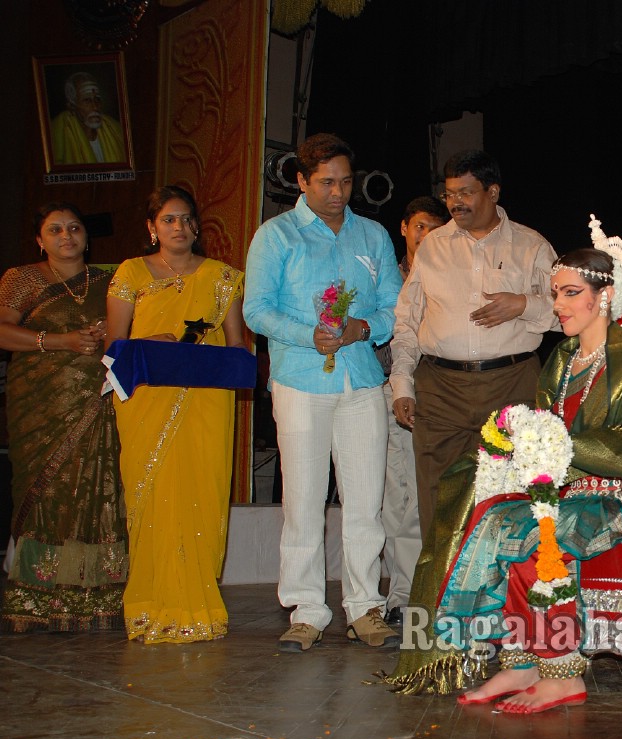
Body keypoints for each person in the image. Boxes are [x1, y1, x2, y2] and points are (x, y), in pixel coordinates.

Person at [385, 223, 622, 707]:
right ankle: (519, 664)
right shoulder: (560, 358)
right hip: (554, 489)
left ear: (605, 295)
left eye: (571, 293)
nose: (558, 305)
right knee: (488, 516)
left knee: (535, 530)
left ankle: (562, 673)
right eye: (555, 293)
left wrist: (561, 448)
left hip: (610, 495)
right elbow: (544, 429)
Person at [244, 133, 401, 653]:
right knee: (304, 500)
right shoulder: (277, 236)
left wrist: (362, 329)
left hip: (360, 381)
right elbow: (257, 310)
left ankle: (365, 608)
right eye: (327, 182)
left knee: (364, 503)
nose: (338, 192)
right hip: (300, 380)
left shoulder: (373, 235)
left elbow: (393, 308)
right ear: (301, 180)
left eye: (346, 181)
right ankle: (307, 609)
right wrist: (304, 334)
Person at [390, 150, 558, 548]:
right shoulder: (432, 247)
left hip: (512, 383)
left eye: (466, 192)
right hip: (440, 388)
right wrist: (402, 385)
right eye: (449, 194)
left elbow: (568, 311)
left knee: (514, 496)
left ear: (493, 192)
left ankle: (508, 598)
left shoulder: (531, 245)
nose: (455, 203)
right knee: (439, 499)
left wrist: (523, 304)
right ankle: (442, 600)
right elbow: (407, 321)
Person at [106, 186, 246, 643]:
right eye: (169, 219)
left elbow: (237, 345)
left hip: (205, 400)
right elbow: (115, 346)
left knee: (200, 493)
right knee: (150, 495)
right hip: (147, 399)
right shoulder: (130, 273)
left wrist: (197, 350)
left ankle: (198, 606)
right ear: (152, 227)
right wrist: (154, 346)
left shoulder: (224, 277)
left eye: (187, 219)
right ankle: (150, 605)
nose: (180, 228)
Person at [0, 203, 125, 632]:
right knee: (46, 492)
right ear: (40, 239)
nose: (66, 236)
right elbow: (2, 330)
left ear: (87, 238)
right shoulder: (22, 279)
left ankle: (98, 595)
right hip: (40, 406)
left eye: (74, 228)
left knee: (100, 489)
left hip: (97, 402)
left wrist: (105, 336)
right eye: (55, 230)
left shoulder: (113, 282)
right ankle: (37, 597)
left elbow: (130, 332)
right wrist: (62, 341)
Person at [379, 196, 449, 625]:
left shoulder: (446, 275)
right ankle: (402, 593)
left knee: (426, 497)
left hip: (438, 397)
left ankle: (426, 589)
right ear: (404, 228)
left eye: (436, 230)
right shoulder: (386, 276)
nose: (427, 237)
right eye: (420, 227)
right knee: (396, 497)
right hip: (388, 391)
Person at [49, 72, 126, 165]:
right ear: (72, 106)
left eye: (97, 99)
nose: (95, 107)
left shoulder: (115, 129)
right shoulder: (58, 132)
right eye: (87, 100)